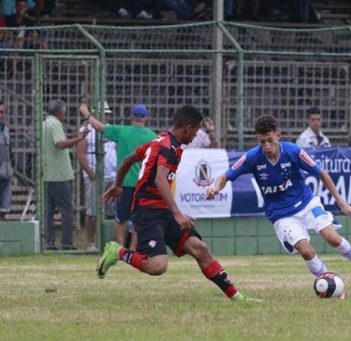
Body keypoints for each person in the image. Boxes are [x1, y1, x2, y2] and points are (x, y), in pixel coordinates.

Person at [206, 115, 351, 290]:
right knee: (306, 251)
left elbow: (322, 173)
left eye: (270, 140)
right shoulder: (253, 157)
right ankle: (330, 283)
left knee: (332, 238)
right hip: (281, 215)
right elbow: (226, 176)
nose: (267, 146)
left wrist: (342, 203)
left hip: (307, 203)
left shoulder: (293, 151)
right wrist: (215, 187)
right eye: (262, 142)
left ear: (278, 135)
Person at [97, 105, 258, 303]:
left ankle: (237, 297)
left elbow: (127, 161)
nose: (196, 135)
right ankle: (118, 251)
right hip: (147, 211)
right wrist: (177, 213)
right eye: (197, 130)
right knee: (157, 267)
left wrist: (118, 185)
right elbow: (159, 180)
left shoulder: (160, 141)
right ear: (187, 128)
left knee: (200, 248)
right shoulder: (167, 146)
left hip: (163, 210)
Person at [79, 102, 156, 250]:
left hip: (124, 182)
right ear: (146, 118)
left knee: (121, 217)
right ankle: (133, 249)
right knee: (138, 219)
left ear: (131, 116)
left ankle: (121, 248)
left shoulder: (122, 131)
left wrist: (86, 114)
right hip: (142, 183)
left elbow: (99, 127)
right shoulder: (152, 136)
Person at [42, 99, 87, 250]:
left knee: (48, 211)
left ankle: (49, 242)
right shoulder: (54, 124)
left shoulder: (44, 123)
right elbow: (60, 144)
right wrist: (79, 138)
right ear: (60, 111)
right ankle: (67, 242)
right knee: (67, 210)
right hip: (59, 174)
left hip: (48, 174)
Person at [77, 102, 117, 252]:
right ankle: (91, 242)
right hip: (94, 175)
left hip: (111, 175)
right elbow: (80, 154)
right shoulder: (85, 130)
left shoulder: (110, 130)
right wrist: (90, 173)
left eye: (106, 114)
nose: (105, 116)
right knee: (92, 210)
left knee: (112, 211)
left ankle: (109, 240)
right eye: (102, 113)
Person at [0, 101, 12, 220]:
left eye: (3, 112)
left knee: (3, 210)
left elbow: (10, 151)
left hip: (5, 174)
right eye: (0, 112)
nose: (2, 115)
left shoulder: (6, 130)